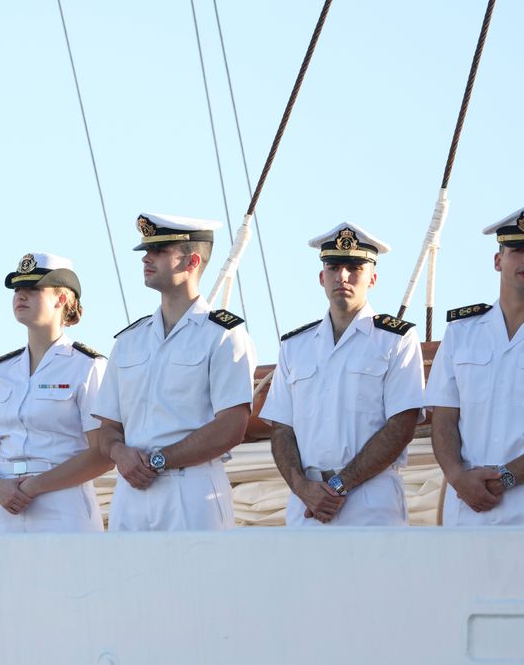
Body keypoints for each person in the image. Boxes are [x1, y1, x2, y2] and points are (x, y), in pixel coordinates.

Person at [92, 213, 256, 531]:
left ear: (191, 261)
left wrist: (160, 459)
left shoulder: (223, 335)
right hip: (130, 492)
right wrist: (118, 451)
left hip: (192, 488)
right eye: (146, 251)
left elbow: (232, 427)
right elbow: (109, 426)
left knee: (196, 581)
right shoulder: (129, 342)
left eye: (160, 251)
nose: (147, 258)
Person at [260, 223, 424, 526]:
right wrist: (301, 488)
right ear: (322, 278)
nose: (343, 277)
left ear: (372, 278)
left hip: (370, 501)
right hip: (306, 504)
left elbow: (402, 423)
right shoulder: (295, 347)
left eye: (354, 268)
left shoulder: (396, 340)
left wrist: (338, 485)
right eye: (334, 267)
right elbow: (282, 428)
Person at [0, 253, 111, 533]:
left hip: (62, 503)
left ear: (62, 299)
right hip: (3, 505)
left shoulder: (87, 366)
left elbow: (102, 453)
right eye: (18, 290)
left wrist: (37, 485)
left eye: (33, 289)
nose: (21, 295)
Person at [426, 208, 524, 525]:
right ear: (498, 261)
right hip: (466, 510)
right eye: (517, 250)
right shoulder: (462, 332)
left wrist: (506, 477)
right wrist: (456, 476)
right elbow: (444, 415)